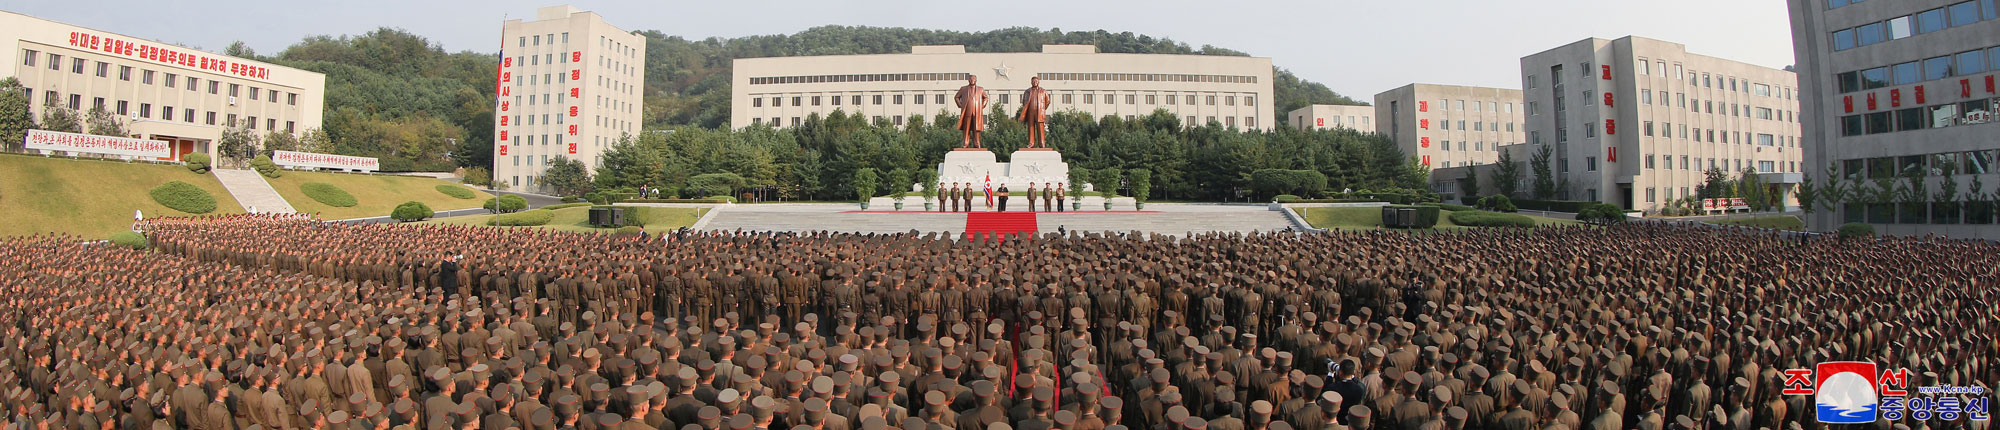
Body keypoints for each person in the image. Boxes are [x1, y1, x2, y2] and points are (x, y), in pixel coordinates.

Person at [955, 74, 989, 149]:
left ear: (976, 80)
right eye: (970, 79)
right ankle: (965, 143)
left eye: (973, 79)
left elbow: (986, 98)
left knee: (976, 129)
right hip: (967, 111)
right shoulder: (963, 89)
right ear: (968, 80)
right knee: (966, 129)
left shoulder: (981, 89)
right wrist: (961, 105)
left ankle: (977, 143)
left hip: (976, 112)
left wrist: (982, 106)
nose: (972, 81)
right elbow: (956, 97)